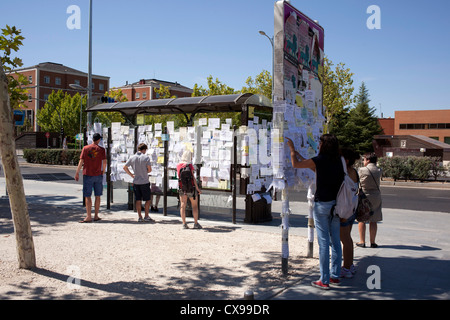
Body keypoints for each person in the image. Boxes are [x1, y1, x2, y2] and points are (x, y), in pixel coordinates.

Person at [286, 134, 344, 290]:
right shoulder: (339, 160)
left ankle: (324, 280)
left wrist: (292, 149)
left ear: (324, 145)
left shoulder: (320, 160)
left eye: (320, 142)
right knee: (335, 241)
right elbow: (313, 166)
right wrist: (300, 154)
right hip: (337, 205)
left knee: (324, 242)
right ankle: (335, 275)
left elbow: (296, 164)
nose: (318, 145)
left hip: (322, 205)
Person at [75, 133, 107, 223]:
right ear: (99, 140)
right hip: (98, 175)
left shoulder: (85, 148)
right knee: (98, 195)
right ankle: (96, 215)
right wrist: (103, 171)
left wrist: (77, 172)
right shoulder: (101, 150)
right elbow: (104, 162)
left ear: (92, 139)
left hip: (88, 174)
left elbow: (81, 161)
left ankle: (88, 216)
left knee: (87, 196)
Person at [339, 148, 360, 278]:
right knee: (348, 238)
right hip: (352, 208)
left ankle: (346, 267)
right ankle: (349, 264)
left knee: (345, 239)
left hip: (344, 211)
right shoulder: (354, 172)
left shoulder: (344, 173)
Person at [123, 143, 154, 222]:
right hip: (144, 181)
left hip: (136, 181)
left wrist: (131, 175)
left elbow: (125, 167)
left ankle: (140, 216)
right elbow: (149, 170)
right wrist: (145, 171)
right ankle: (146, 215)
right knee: (147, 199)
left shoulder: (132, 157)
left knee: (138, 200)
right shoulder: (146, 157)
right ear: (144, 149)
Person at [357, 152, 383, 248]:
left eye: (364, 159)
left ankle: (362, 241)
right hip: (376, 195)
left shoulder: (362, 170)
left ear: (368, 160)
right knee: (374, 219)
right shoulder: (379, 170)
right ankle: (373, 242)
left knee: (362, 218)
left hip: (365, 195)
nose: (363, 161)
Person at [177, 149, 202, 229]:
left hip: (182, 188)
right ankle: (195, 223)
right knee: (194, 206)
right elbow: (193, 178)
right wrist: (197, 189)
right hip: (191, 188)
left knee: (182, 205)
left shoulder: (178, 165)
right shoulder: (189, 165)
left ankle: (184, 223)